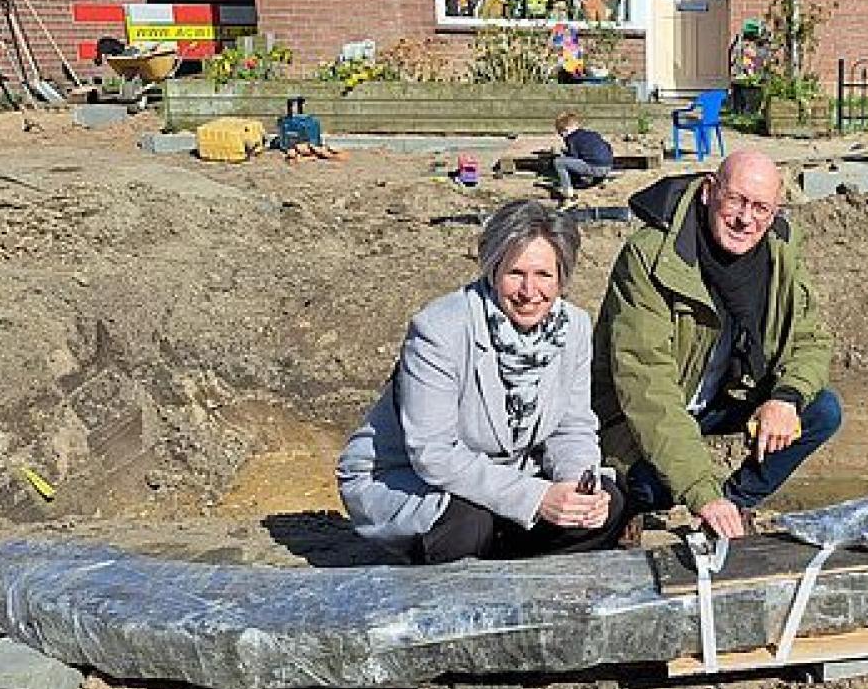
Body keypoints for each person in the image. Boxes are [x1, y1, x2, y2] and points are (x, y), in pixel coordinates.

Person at [336, 200, 625, 564]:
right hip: (415, 478)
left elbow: (572, 426)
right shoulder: (439, 330)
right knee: (469, 524)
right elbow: (433, 453)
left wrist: (576, 486)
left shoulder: (575, 327)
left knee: (607, 504)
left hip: (509, 474)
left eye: (544, 275)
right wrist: (537, 498)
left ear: (561, 277)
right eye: (515, 273)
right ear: (492, 269)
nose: (529, 291)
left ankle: (511, 564)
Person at [592, 150, 840, 541]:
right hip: (642, 410)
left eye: (761, 208)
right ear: (709, 191)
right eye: (737, 200)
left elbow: (809, 339)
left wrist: (786, 399)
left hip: (721, 396)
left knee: (821, 411)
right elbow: (646, 386)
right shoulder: (649, 256)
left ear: (774, 213)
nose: (746, 219)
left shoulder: (780, 250)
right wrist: (700, 493)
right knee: (655, 486)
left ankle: (735, 504)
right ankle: (631, 513)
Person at [550, 111, 613, 206]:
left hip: (595, 168)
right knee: (589, 159)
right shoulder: (592, 134)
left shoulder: (571, 138)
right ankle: (601, 179)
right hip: (608, 166)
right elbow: (608, 146)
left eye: (560, 133)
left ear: (565, 130)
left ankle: (568, 193)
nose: (561, 136)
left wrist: (562, 153)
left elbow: (574, 157)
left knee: (559, 162)